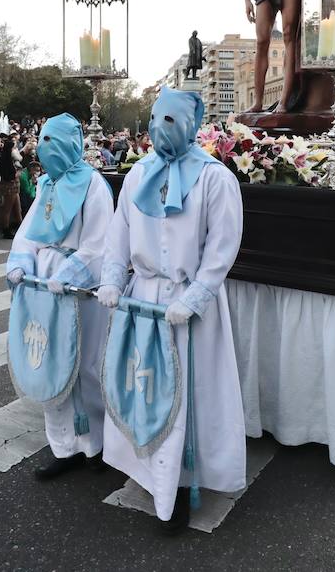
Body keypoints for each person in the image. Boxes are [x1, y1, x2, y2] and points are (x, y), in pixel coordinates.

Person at [97, 88, 245, 532]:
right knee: (145, 389)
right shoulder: (139, 173)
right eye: (156, 119)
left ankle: (180, 483)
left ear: (188, 125)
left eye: (171, 121)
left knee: (185, 397)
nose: (161, 130)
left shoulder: (215, 178)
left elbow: (223, 247)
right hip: (142, 300)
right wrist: (111, 279)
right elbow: (118, 233)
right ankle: (146, 470)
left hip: (187, 305)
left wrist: (195, 297)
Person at [6, 113, 114, 479]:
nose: (43, 148)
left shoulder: (94, 184)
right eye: (42, 140)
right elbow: (29, 232)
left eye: (51, 141)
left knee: (84, 364)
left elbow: (99, 241)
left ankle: (95, 444)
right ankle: (63, 446)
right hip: (43, 285)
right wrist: (21, 262)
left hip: (76, 288)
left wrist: (70, 275)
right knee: (52, 363)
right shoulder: (47, 184)